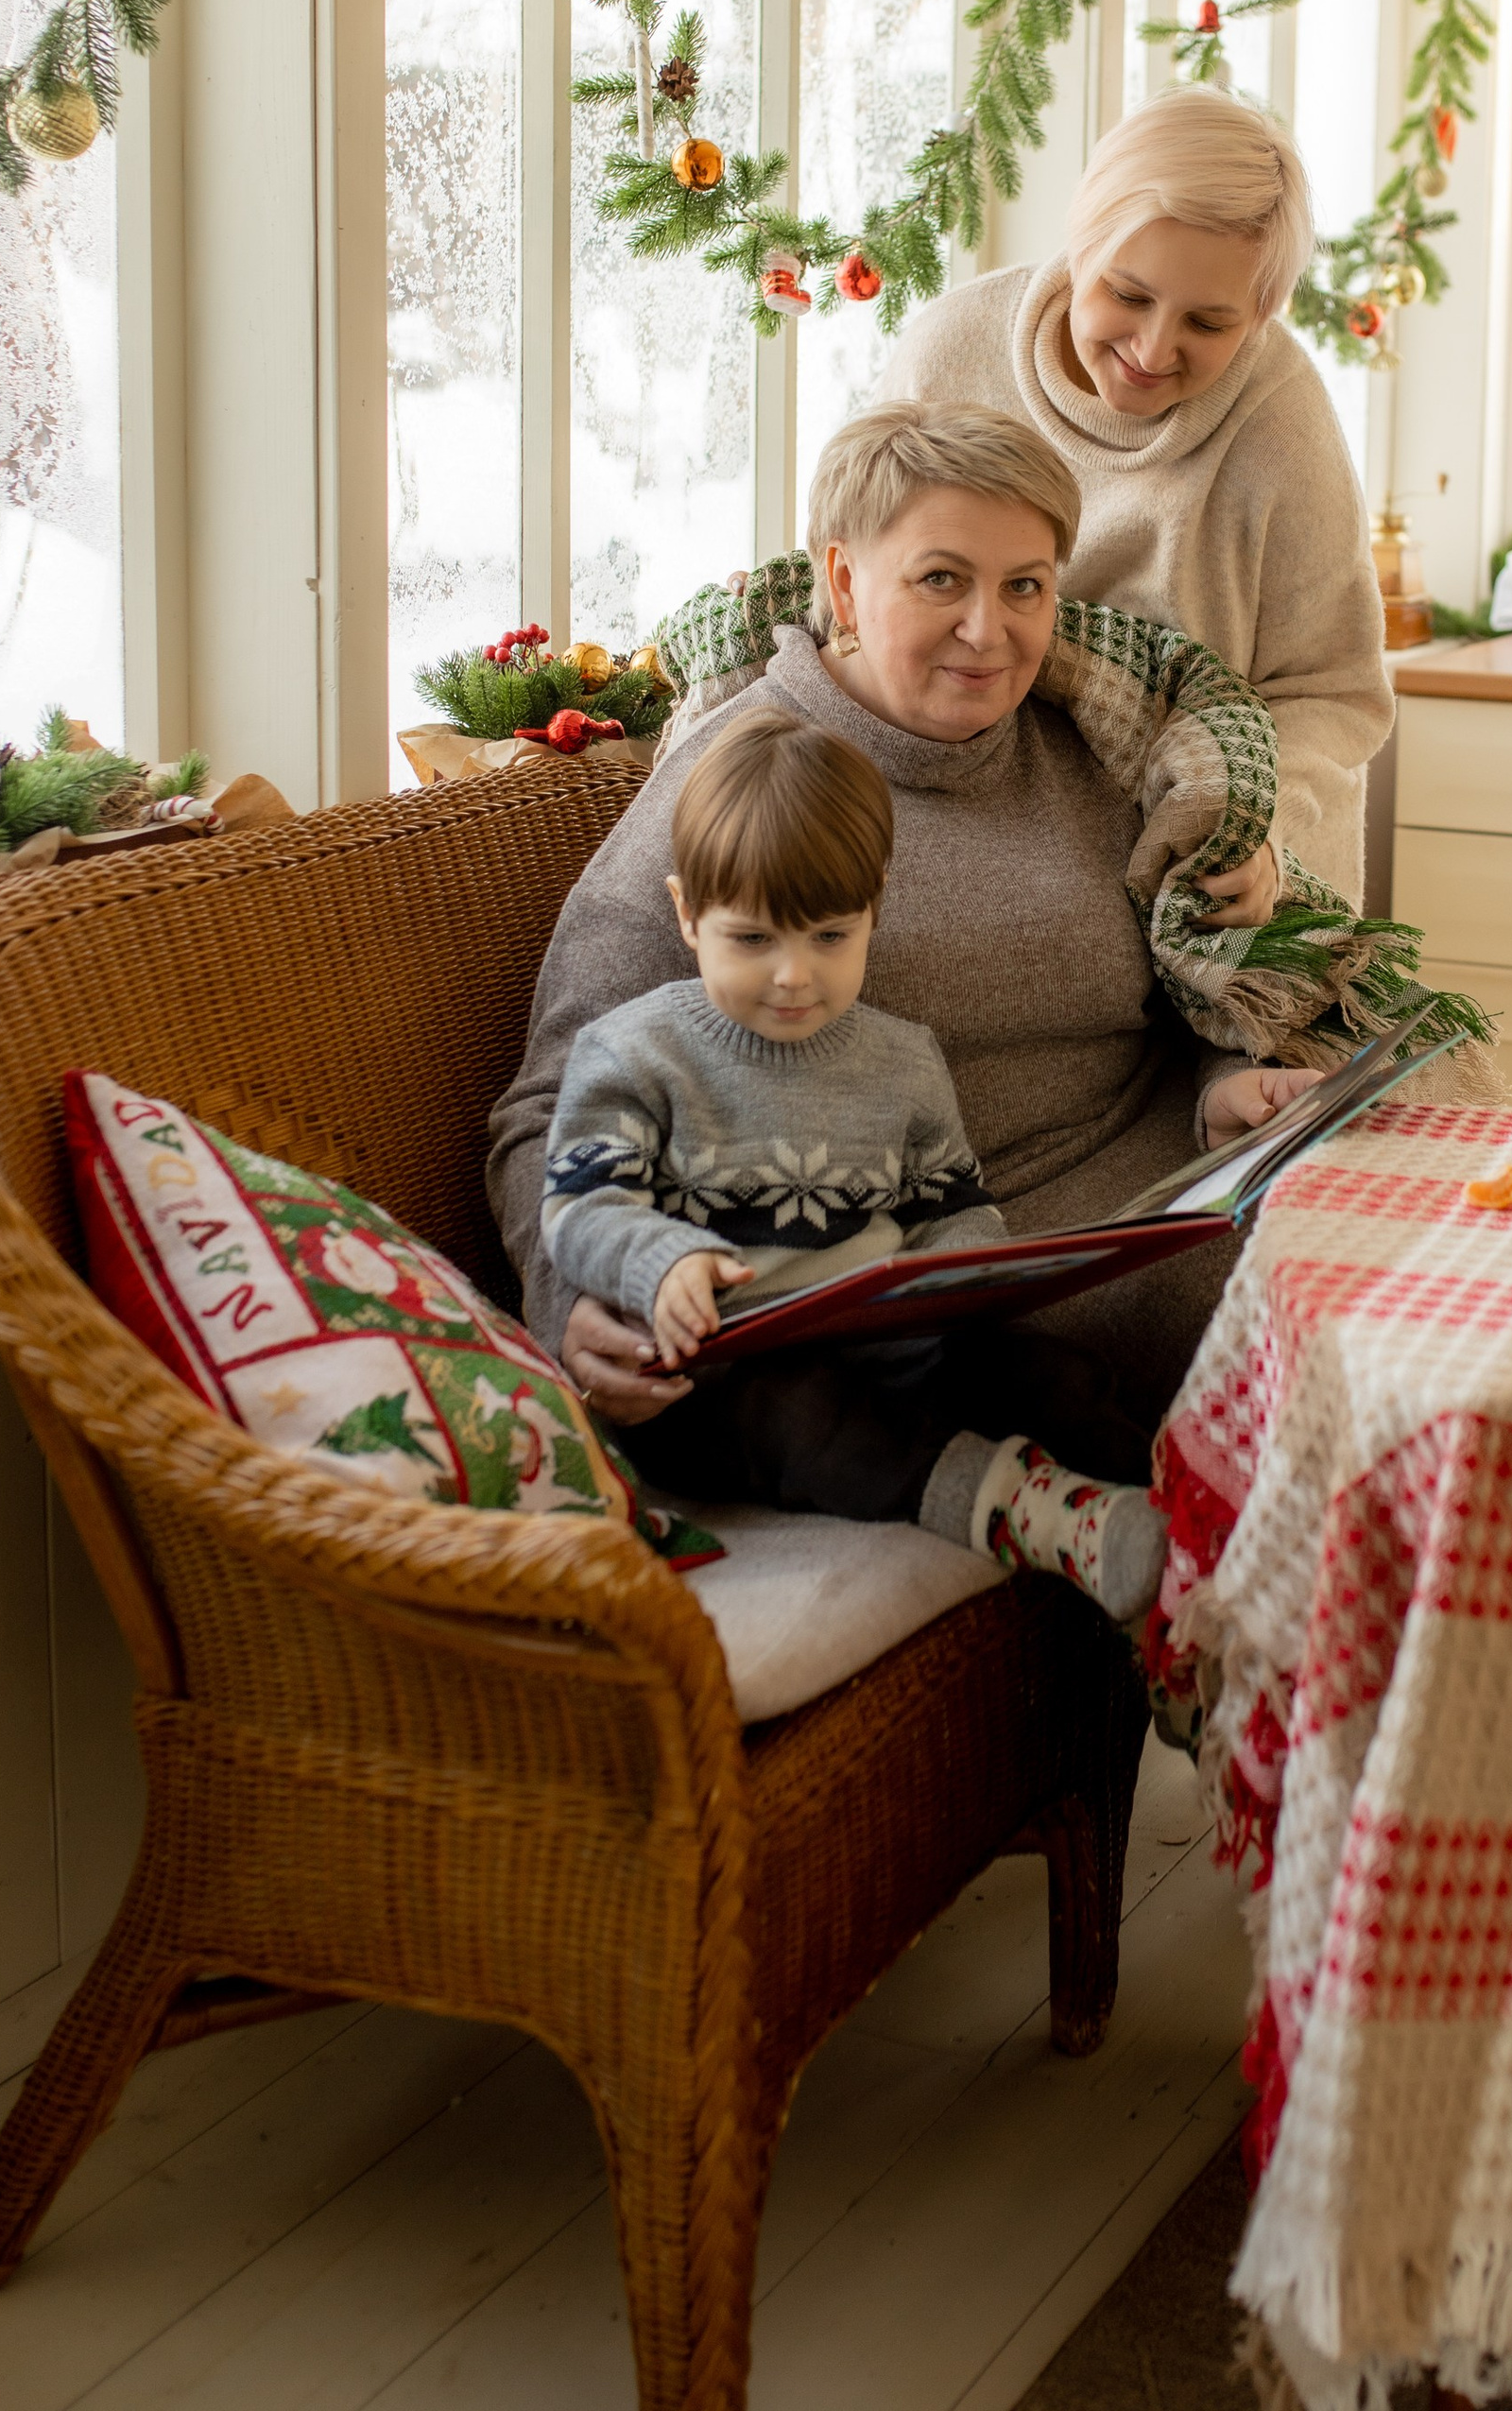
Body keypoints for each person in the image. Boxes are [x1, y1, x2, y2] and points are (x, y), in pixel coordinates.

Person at [488, 400, 1323, 1448]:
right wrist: (570, 1301)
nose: (991, 630)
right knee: (1319, 1356)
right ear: (842, 580)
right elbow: (545, 1105)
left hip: (1184, 1199)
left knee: (1409, 1277)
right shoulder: (747, 781)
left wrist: (1219, 1086)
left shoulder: (1091, 750)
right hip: (956, 1294)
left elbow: (1177, 987)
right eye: (941, 580)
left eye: (1024, 586)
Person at [541, 698, 1167, 1622]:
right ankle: (1021, 1513)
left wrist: (971, 1270)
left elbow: (948, 1202)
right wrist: (658, 1260)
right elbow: (577, 1211)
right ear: (687, 914)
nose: (794, 975)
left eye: (830, 936)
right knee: (810, 1419)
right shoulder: (635, 1054)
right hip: (717, 1391)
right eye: (751, 939)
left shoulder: (902, 1059)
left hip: (894, 1352)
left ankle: (1176, 1533)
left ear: (874, 905)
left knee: (1050, 1375)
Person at [880, 84, 1392, 906]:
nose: (1153, 349)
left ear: (1261, 314)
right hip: (983, 850)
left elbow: (1334, 691)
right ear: (1082, 245)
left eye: (1209, 323)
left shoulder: (1283, 427)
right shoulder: (949, 355)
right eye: (1129, 295)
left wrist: (1260, 830)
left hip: (1223, 880)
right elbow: (861, 587)